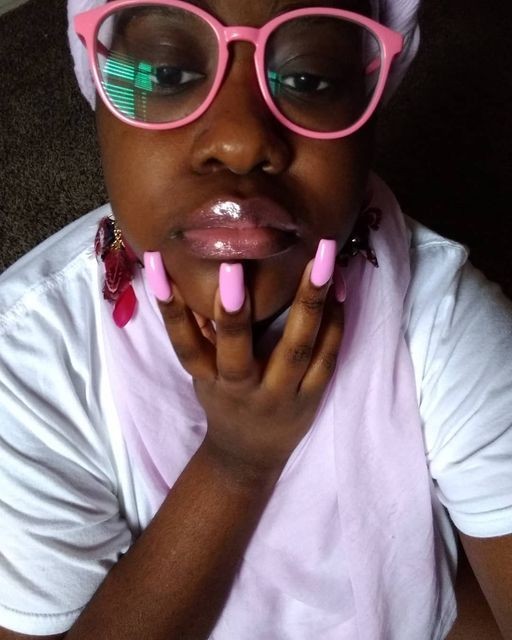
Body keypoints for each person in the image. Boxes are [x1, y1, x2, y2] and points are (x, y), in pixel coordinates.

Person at [0, 0, 511, 638]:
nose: (241, 142)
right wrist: (237, 462)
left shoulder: (440, 317)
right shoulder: (26, 362)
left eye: (308, 78)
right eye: (167, 74)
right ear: (99, 96)